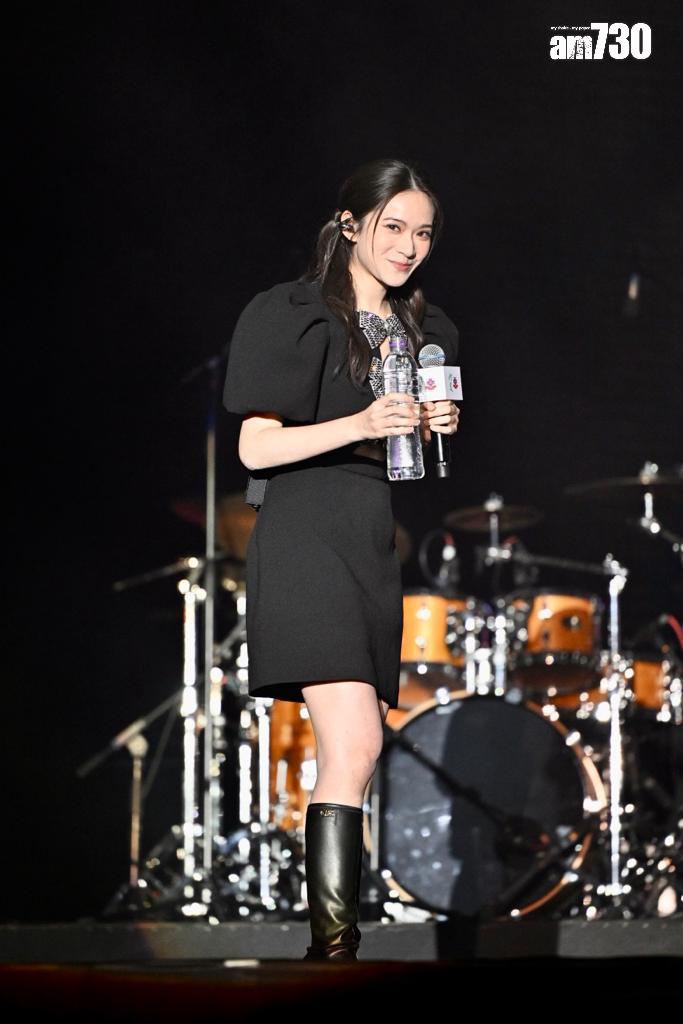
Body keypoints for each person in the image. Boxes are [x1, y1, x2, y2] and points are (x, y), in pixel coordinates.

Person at [222, 157, 460, 961]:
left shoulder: (426, 329)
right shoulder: (293, 314)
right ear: (350, 224)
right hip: (303, 530)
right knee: (354, 742)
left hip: (368, 536)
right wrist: (361, 423)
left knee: (359, 747)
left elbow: (408, 444)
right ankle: (332, 952)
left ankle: (333, 948)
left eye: (422, 232)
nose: (408, 246)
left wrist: (432, 423)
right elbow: (255, 445)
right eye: (392, 227)